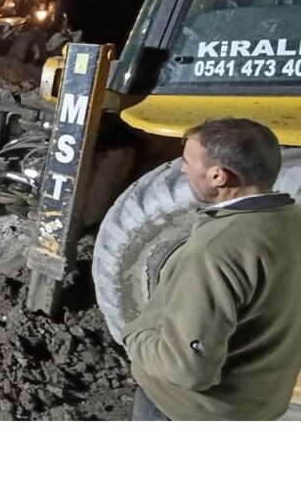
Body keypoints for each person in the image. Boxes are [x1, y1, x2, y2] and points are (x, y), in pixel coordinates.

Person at [123, 118, 301, 421]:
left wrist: (135, 337)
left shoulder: (214, 252)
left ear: (218, 176)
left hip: (187, 411)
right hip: (259, 403)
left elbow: (186, 369)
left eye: (188, 162)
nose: (183, 169)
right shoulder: (292, 220)